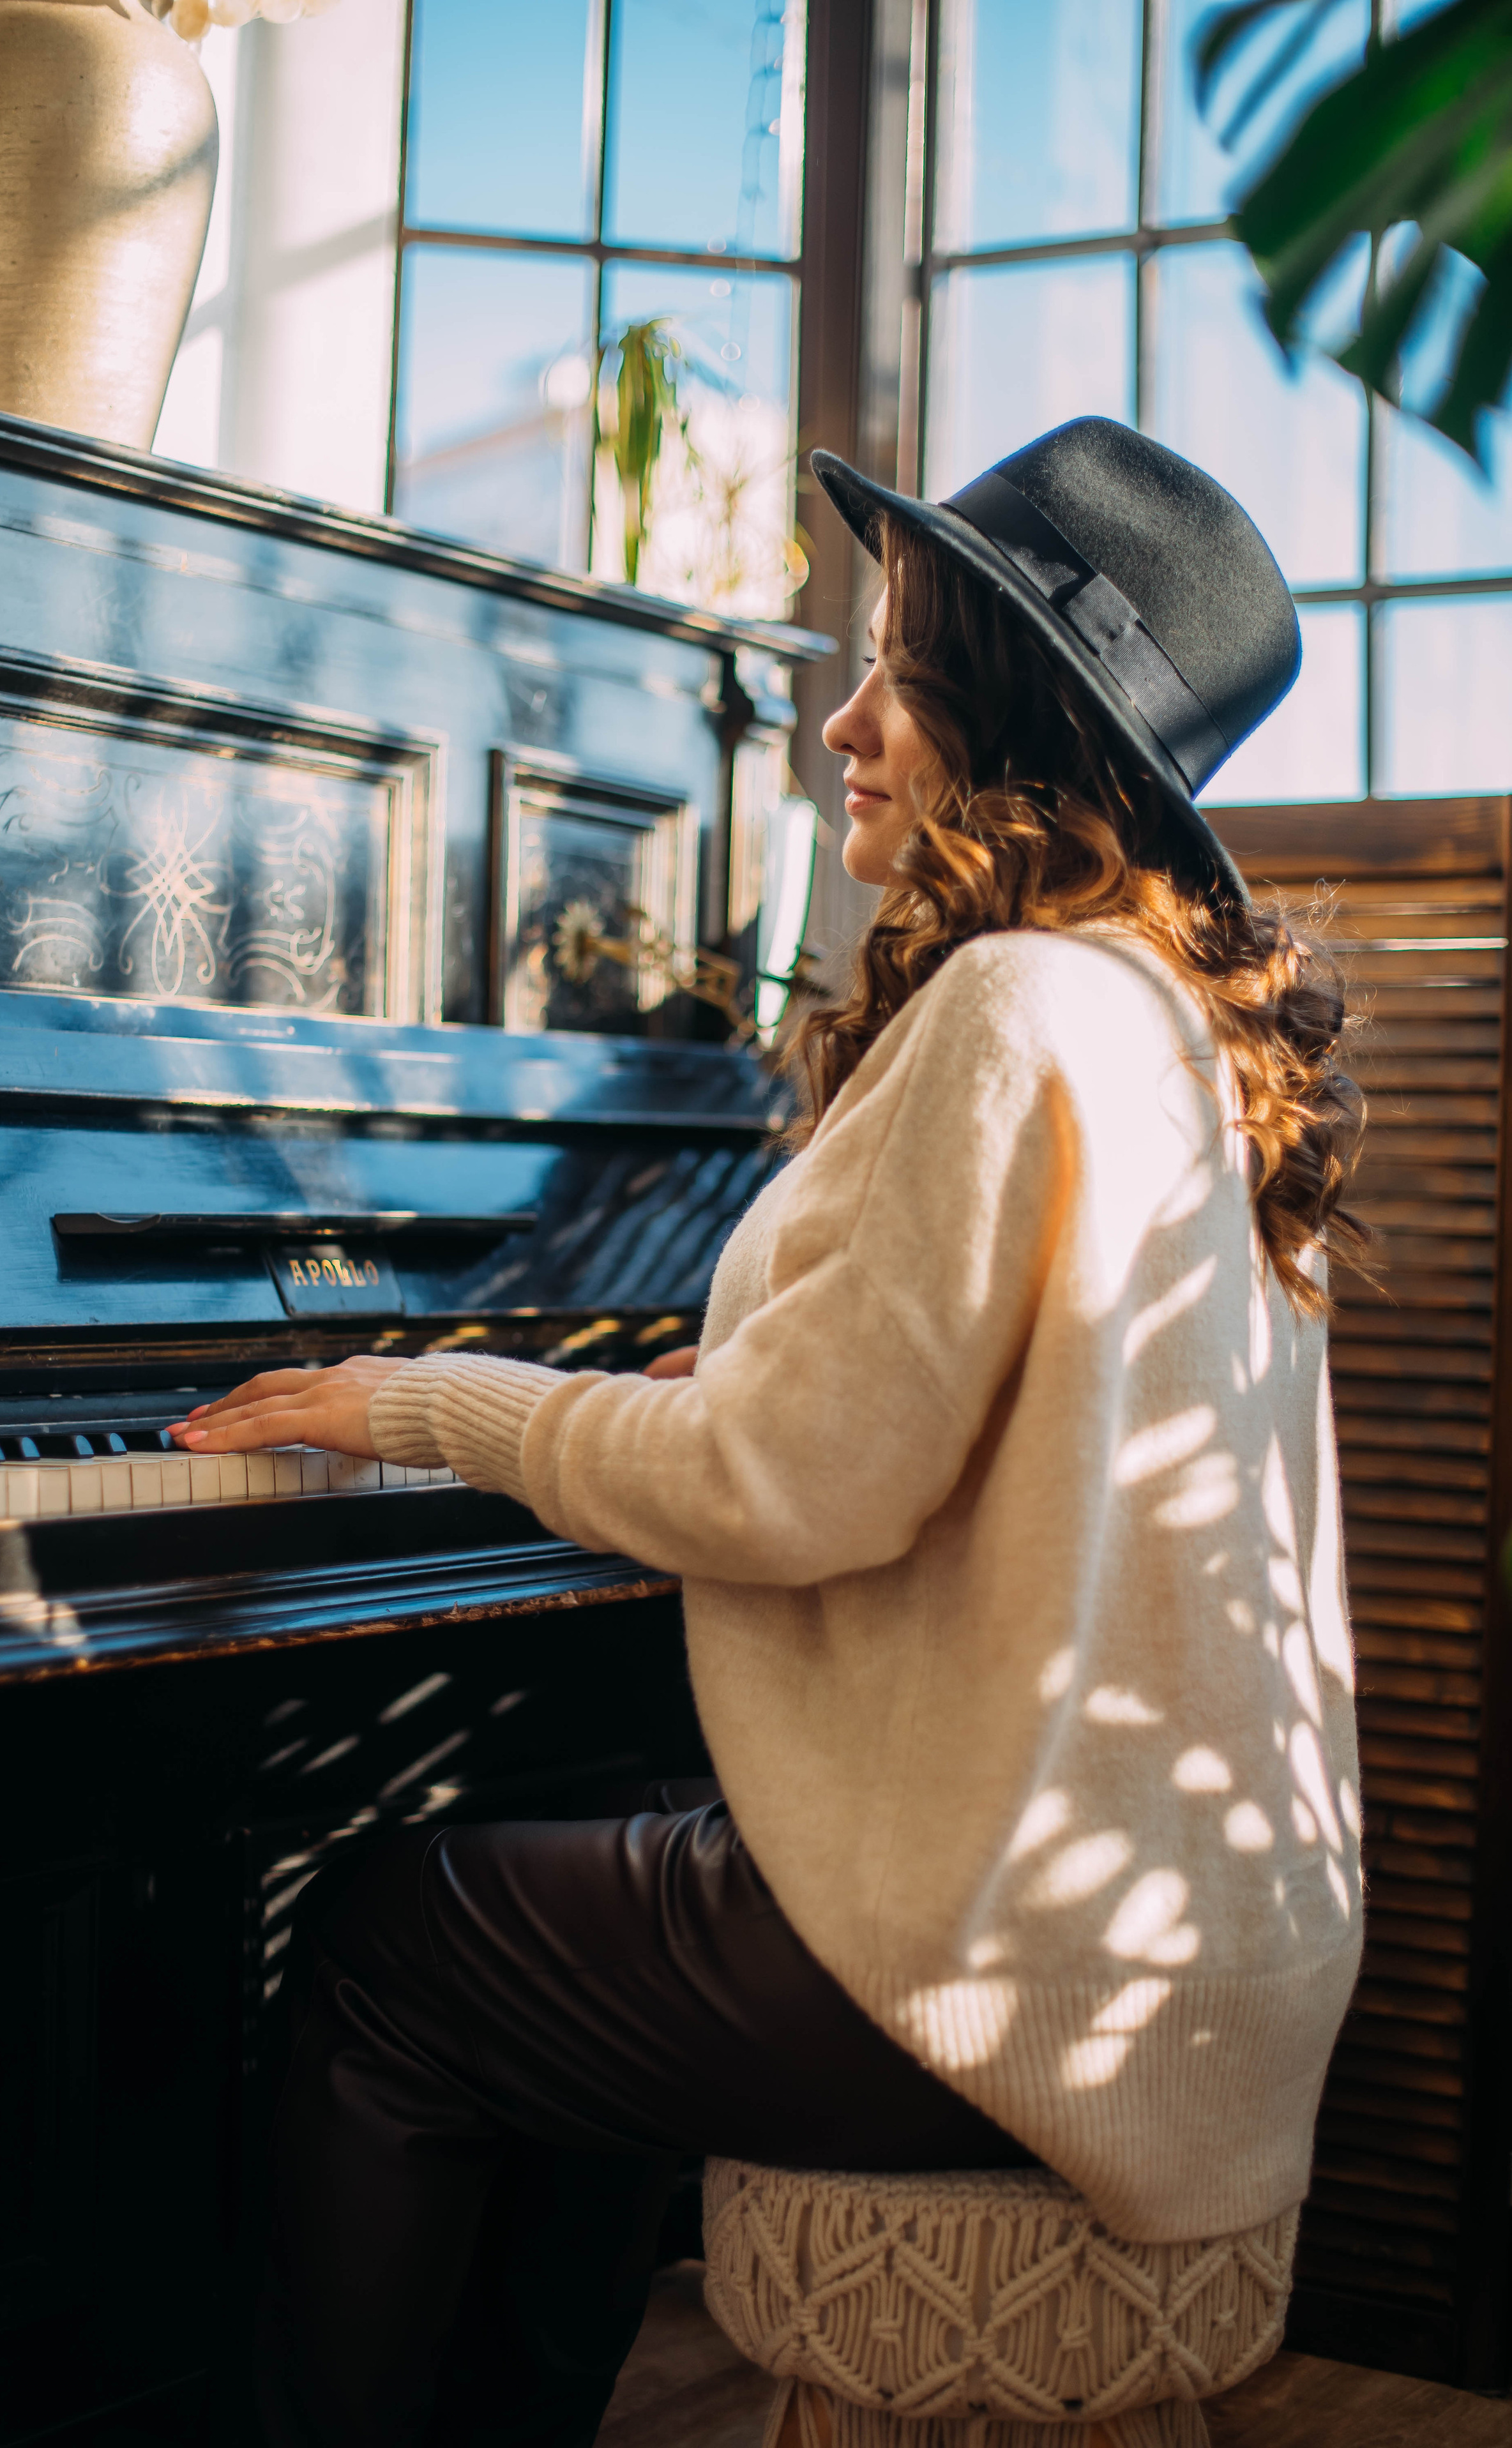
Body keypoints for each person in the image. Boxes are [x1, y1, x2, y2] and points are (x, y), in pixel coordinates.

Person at [174, 419, 1366, 2448]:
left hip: (1023, 1996)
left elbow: (783, 1490)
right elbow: (959, 1435)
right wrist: (712, 1398)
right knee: (590, 1835)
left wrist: (421, 1398)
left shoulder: (1016, 1006)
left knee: (391, 1956)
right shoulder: (1175, 1023)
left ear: (1010, 719)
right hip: (1196, 1956)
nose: (840, 725)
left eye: (893, 671)